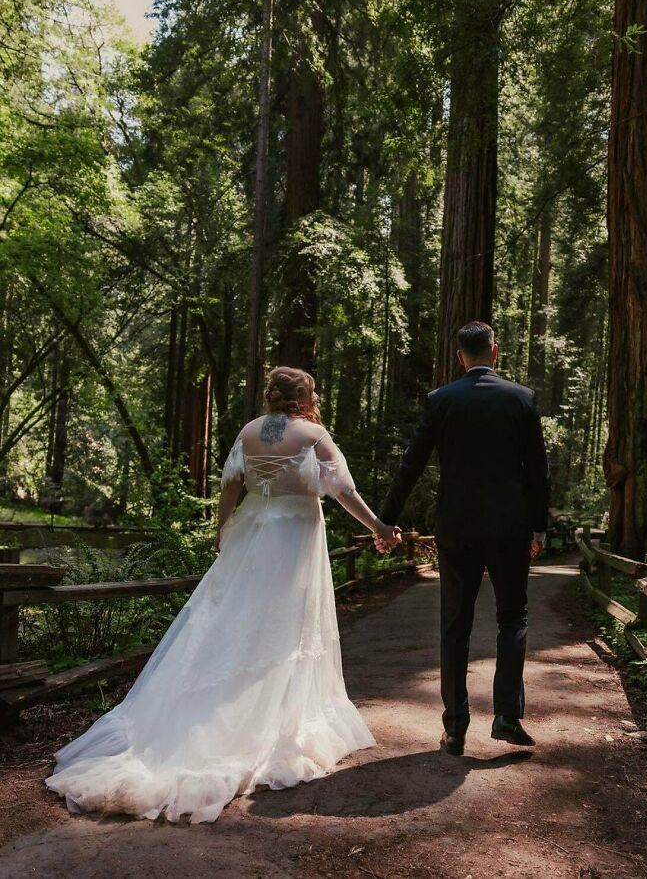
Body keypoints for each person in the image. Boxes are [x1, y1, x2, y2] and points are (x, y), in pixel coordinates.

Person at [46, 367, 399, 824]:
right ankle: (271, 722)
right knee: (284, 627)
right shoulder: (313, 434)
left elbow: (230, 486)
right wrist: (378, 527)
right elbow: (343, 490)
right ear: (303, 397)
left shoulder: (249, 432)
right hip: (293, 537)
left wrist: (223, 532)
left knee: (235, 620)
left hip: (252, 531)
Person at [377, 321, 550, 753]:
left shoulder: (442, 400)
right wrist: (539, 526)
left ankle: (455, 726)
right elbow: (537, 470)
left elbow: (411, 464)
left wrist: (385, 520)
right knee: (513, 618)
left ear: (460, 357)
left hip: (456, 527)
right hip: (510, 527)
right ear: (496, 352)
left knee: (455, 623)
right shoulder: (522, 398)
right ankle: (507, 717)